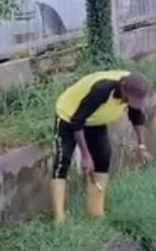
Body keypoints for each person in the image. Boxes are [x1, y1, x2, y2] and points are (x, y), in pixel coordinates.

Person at [51, 71, 150, 222]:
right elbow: (77, 121)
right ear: (122, 87)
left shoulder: (135, 86)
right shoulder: (102, 89)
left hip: (95, 119)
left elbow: (137, 117)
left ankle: (96, 213)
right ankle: (59, 218)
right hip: (69, 116)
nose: (129, 103)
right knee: (62, 160)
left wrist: (141, 147)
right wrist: (85, 155)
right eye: (128, 99)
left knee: (103, 157)